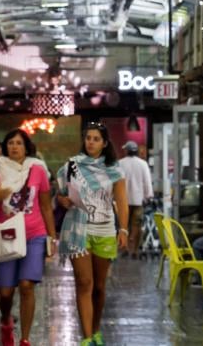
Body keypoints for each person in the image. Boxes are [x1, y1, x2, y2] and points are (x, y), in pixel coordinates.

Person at [0, 129, 56, 346]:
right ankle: (6, 319)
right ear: (5, 147)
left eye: (19, 143)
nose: (14, 147)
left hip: (34, 234)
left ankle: (24, 338)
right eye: (11, 143)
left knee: (26, 285)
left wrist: (52, 237)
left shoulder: (37, 169)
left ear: (27, 147)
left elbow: (45, 206)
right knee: (5, 292)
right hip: (7, 234)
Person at [57, 123, 128, 346]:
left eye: (96, 139)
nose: (91, 142)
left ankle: (96, 329)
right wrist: (63, 200)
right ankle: (86, 338)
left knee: (99, 287)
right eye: (88, 138)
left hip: (105, 230)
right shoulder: (71, 166)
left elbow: (122, 202)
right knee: (84, 283)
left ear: (105, 143)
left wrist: (123, 229)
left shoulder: (114, 170)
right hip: (79, 229)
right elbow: (59, 194)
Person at [117, 140, 153, 257]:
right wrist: (149, 195)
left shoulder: (120, 163)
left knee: (124, 225)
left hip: (123, 201)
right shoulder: (143, 164)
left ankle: (125, 247)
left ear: (127, 151)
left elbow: (116, 182)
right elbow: (147, 182)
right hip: (138, 200)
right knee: (136, 225)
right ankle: (135, 250)